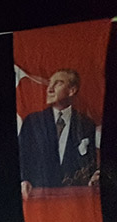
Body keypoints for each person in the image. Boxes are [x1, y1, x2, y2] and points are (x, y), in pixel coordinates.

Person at [19, 68, 100, 196]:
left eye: (58, 83)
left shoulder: (86, 124)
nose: (49, 89)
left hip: (73, 199)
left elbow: (89, 164)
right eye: (50, 83)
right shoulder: (32, 122)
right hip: (38, 198)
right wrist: (23, 180)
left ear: (72, 90)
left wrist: (93, 177)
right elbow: (21, 155)